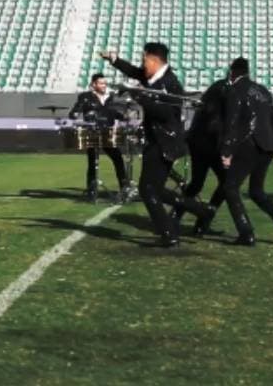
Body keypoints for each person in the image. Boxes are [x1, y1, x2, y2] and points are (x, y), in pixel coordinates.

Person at [101, 45, 202, 247]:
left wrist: (141, 97)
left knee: (148, 190)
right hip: (155, 140)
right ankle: (202, 210)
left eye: (144, 59)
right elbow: (134, 72)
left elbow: (166, 114)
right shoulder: (153, 78)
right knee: (157, 189)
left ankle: (169, 234)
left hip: (165, 141)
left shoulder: (169, 83)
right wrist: (114, 59)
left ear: (154, 61)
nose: (142, 63)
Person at [219, 57, 273, 247]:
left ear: (232, 72)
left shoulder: (235, 90)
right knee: (257, 192)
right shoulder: (262, 91)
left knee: (230, 188)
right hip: (266, 146)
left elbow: (232, 122)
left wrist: (227, 150)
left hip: (248, 145)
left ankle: (246, 233)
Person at [177, 76, 229, 235]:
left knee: (197, 184)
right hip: (210, 144)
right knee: (227, 183)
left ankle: (175, 216)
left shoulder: (213, 95)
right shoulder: (226, 94)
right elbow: (218, 129)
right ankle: (203, 220)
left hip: (198, 143)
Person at [68, 73, 131, 202]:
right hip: (92, 132)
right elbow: (74, 112)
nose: (104, 86)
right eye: (101, 83)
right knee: (93, 162)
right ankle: (92, 191)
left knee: (118, 159)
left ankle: (124, 187)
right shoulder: (85, 97)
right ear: (93, 84)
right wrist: (75, 114)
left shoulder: (110, 98)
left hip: (108, 132)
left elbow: (115, 113)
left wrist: (126, 116)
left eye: (104, 83)